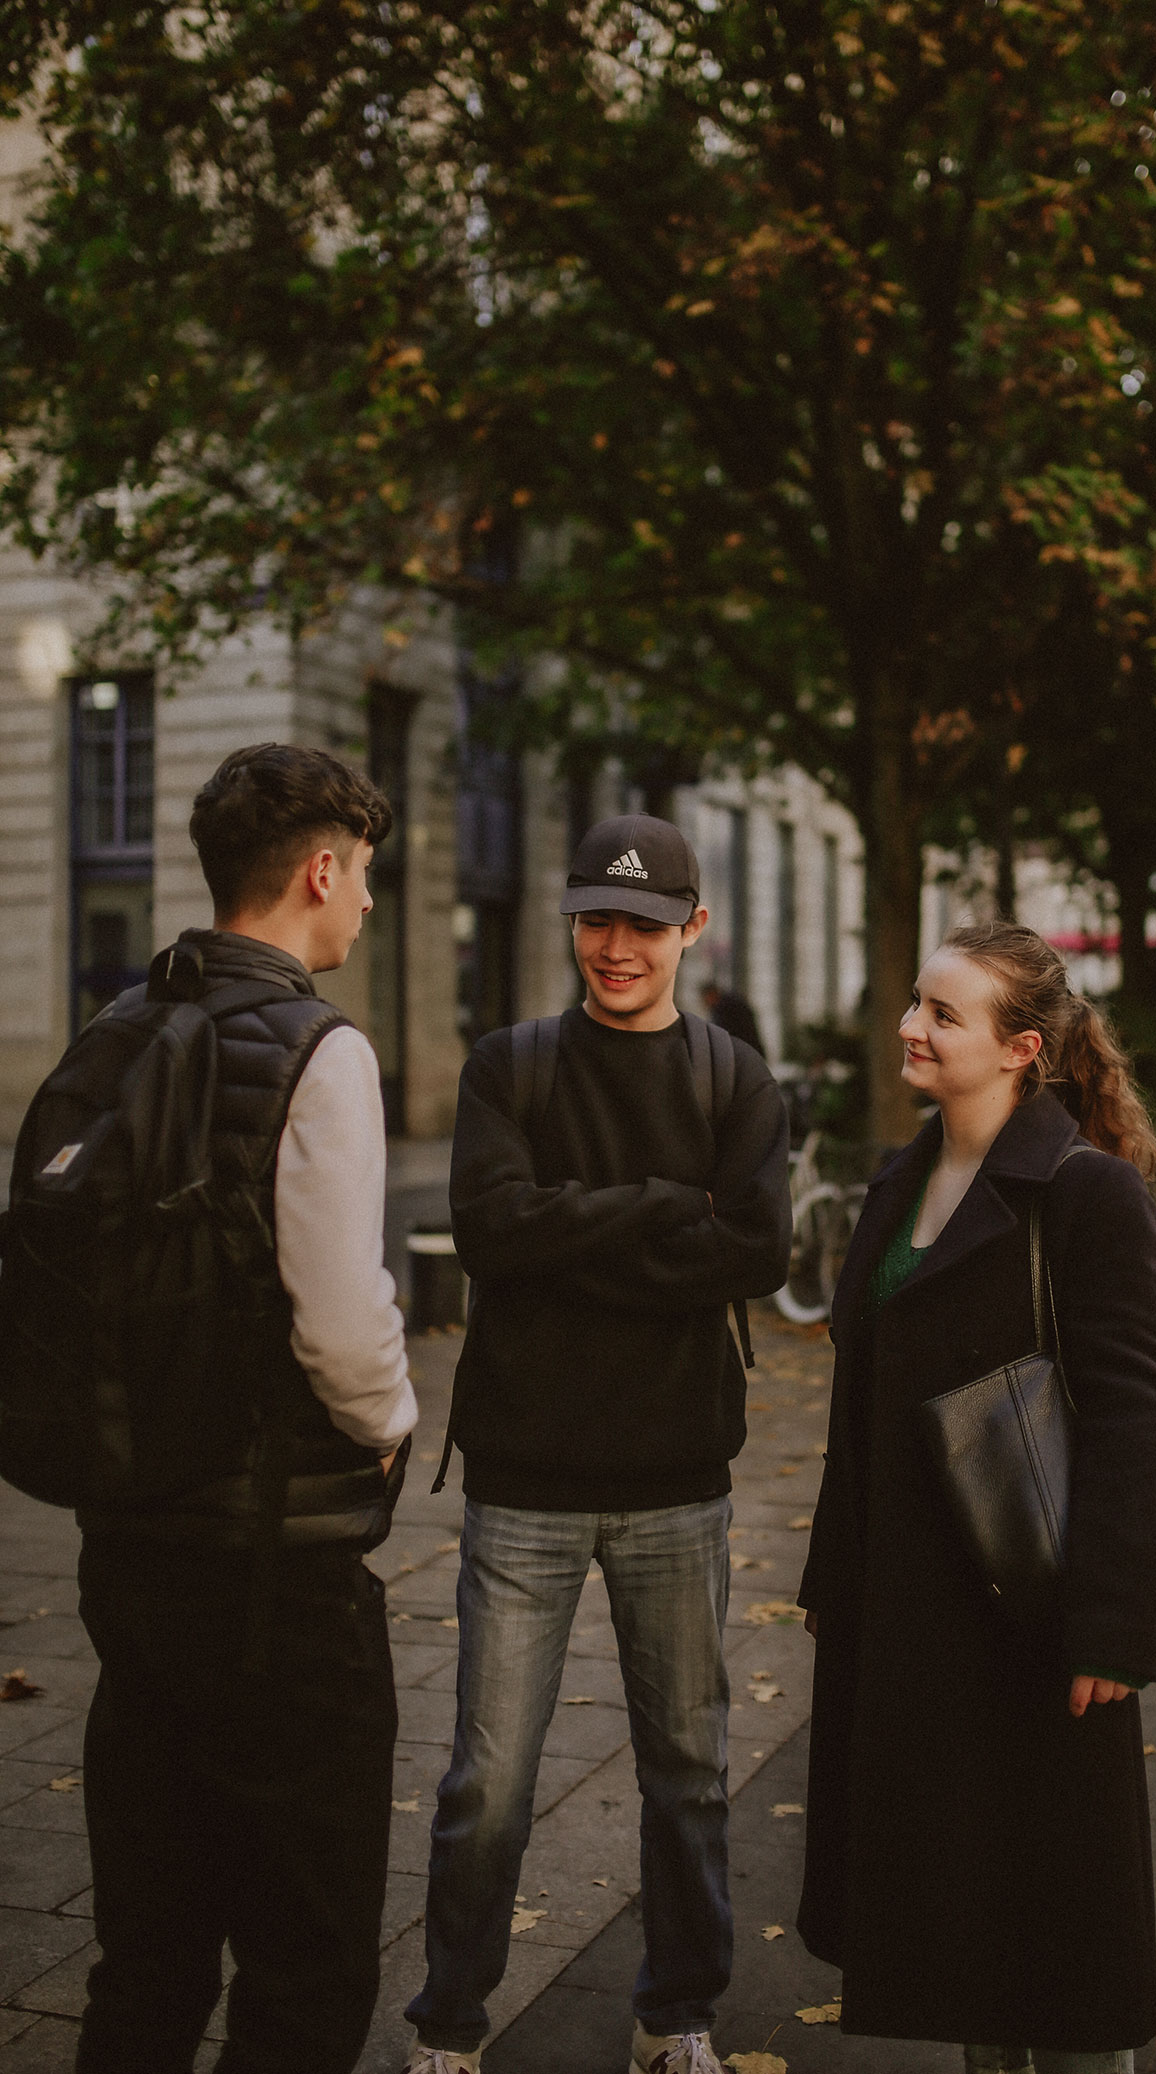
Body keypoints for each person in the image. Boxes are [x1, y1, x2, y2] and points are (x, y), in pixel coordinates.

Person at [404, 814, 792, 2074]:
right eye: (594, 920)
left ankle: (676, 2019)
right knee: (486, 1785)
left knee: (689, 1772)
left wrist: (577, 1237)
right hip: (522, 1482)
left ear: (693, 926)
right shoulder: (510, 1065)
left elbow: (758, 1251)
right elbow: (492, 1231)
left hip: (679, 1484)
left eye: (640, 923)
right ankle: (449, 2030)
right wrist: (666, 1218)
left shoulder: (734, 1079)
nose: (614, 946)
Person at [74, 744, 418, 2074]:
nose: (371, 907)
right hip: (280, 1577)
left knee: (146, 1955)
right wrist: (389, 1422)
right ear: (322, 870)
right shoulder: (318, 1051)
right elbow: (340, 1327)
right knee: (304, 1963)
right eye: (367, 877)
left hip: (131, 1544)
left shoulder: (120, 1024)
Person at [796, 920, 1156, 2074]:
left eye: (942, 1014)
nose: (911, 1028)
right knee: (961, 1935)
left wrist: (1117, 1624)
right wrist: (835, 1577)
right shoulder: (898, 1182)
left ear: (1022, 1049)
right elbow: (856, 1408)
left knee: (1060, 1955)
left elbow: (1140, 1417)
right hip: (915, 1626)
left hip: (1040, 1628)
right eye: (916, 1004)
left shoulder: (1087, 1195)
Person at [701, 978, 768, 1058]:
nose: (705, 1003)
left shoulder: (726, 1007)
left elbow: (726, 1032)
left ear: (711, 994)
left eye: (706, 999)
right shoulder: (723, 1005)